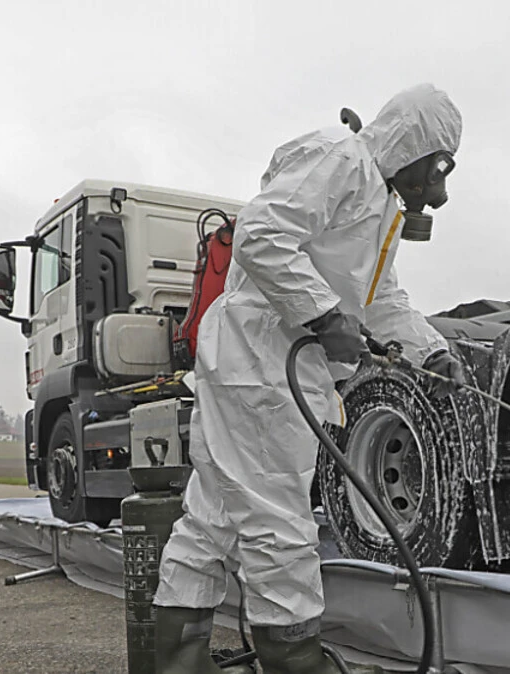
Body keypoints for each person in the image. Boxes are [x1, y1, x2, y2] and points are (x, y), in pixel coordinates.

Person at [153, 83, 466, 674]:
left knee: (213, 520)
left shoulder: (379, 204)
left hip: (262, 363)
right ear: (416, 145)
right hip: (264, 365)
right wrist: (323, 316)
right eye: (438, 167)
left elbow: (379, 300)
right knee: (280, 526)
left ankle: (174, 663)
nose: (439, 188)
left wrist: (431, 353)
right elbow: (261, 235)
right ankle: (296, 663)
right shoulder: (342, 159)